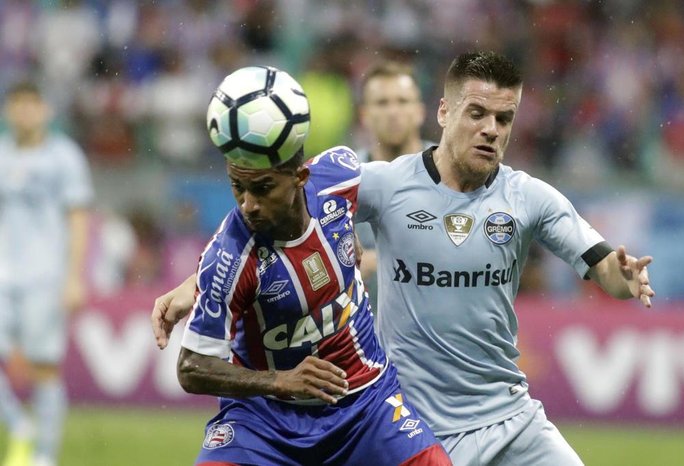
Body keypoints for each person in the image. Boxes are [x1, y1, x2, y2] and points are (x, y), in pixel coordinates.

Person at [153, 52, 655, 465]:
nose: (491, 130)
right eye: (477, 114)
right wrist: (193, 283)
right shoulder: (385, 184)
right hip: (412, 416)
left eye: (504, 119)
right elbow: (275, 202)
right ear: (444, 112)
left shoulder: (533, 198)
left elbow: (604, 267)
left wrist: (624, 276)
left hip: (509, 414)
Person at [153, 142, 451, 466]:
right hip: (265, 420)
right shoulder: (227, 256)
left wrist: (345, 227)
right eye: (238, 187)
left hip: (366, 405)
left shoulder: (340, 173)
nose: (248, 204)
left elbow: (384, 200)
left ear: (300, 178)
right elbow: (191, 368)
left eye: (263, 188)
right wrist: (279, 381)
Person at [0, 81, 93, 466]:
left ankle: (44, 455)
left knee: (44, 365)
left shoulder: (65, 157)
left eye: (32, 104)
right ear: (8, 111)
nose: (24, 111)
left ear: (46, 111)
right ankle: (19, 422)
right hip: (3, 273)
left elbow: (78, 218)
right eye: (17, 104)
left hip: (45, 276)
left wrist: (74, 276)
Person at [354, 60, 434, 312]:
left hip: (434, 338)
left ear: (420, 111)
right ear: (364, 115)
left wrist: (380, 262)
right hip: (361, 337)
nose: (393, 111)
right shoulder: (344, 179)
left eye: (402, 101)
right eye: (382, 103)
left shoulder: (452, 174)